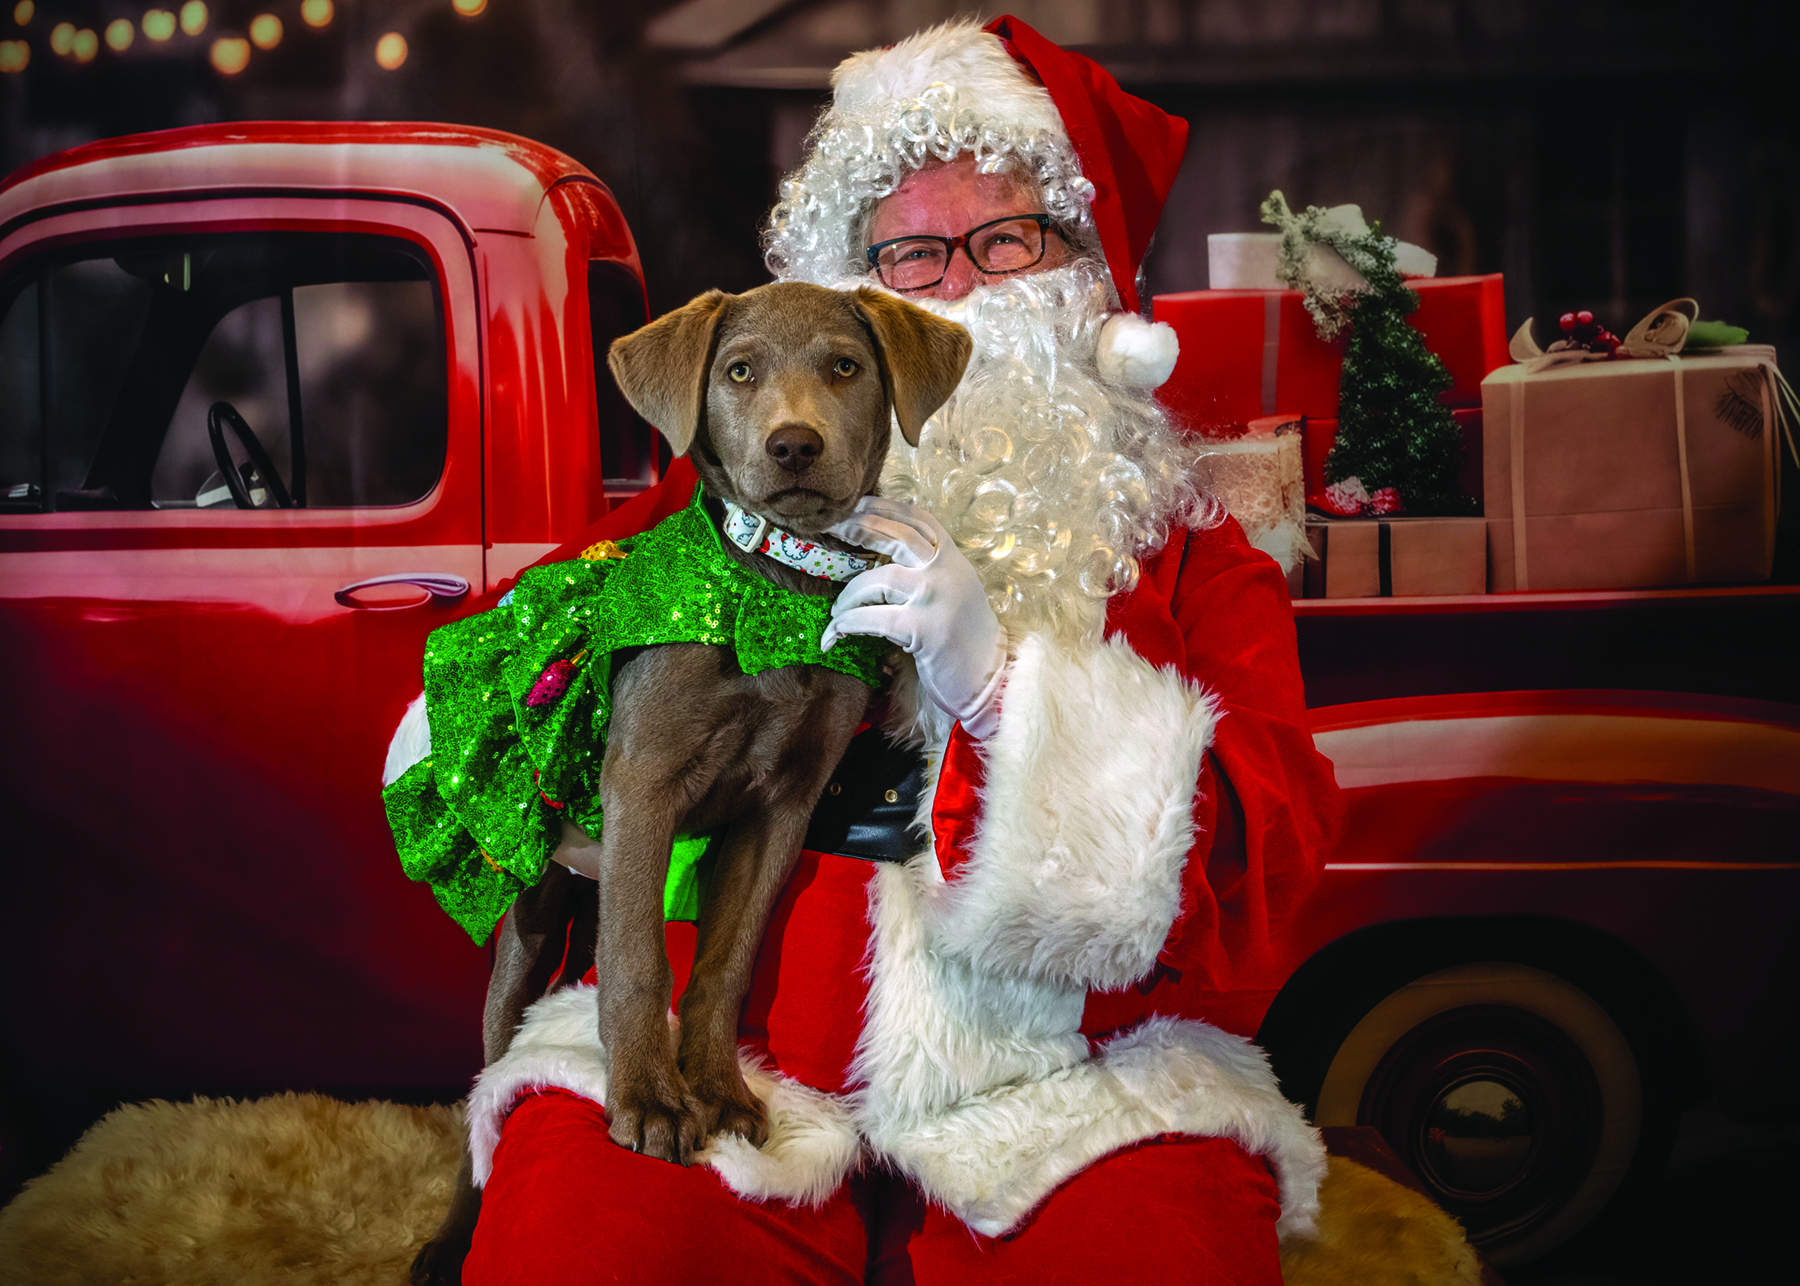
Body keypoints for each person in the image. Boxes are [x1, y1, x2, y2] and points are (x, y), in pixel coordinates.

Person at [453, 16, 1343, 1284]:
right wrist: (491, 709)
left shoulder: (1192, 551)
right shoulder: (725, 497)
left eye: (1005, 239)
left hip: (1068, 1092)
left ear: (1087, 276)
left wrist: (1008, 697)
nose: (964, 287)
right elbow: (546, 643)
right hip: (733, 1060)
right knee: (573, 1255)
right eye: (912, 254)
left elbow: (1273, 855)